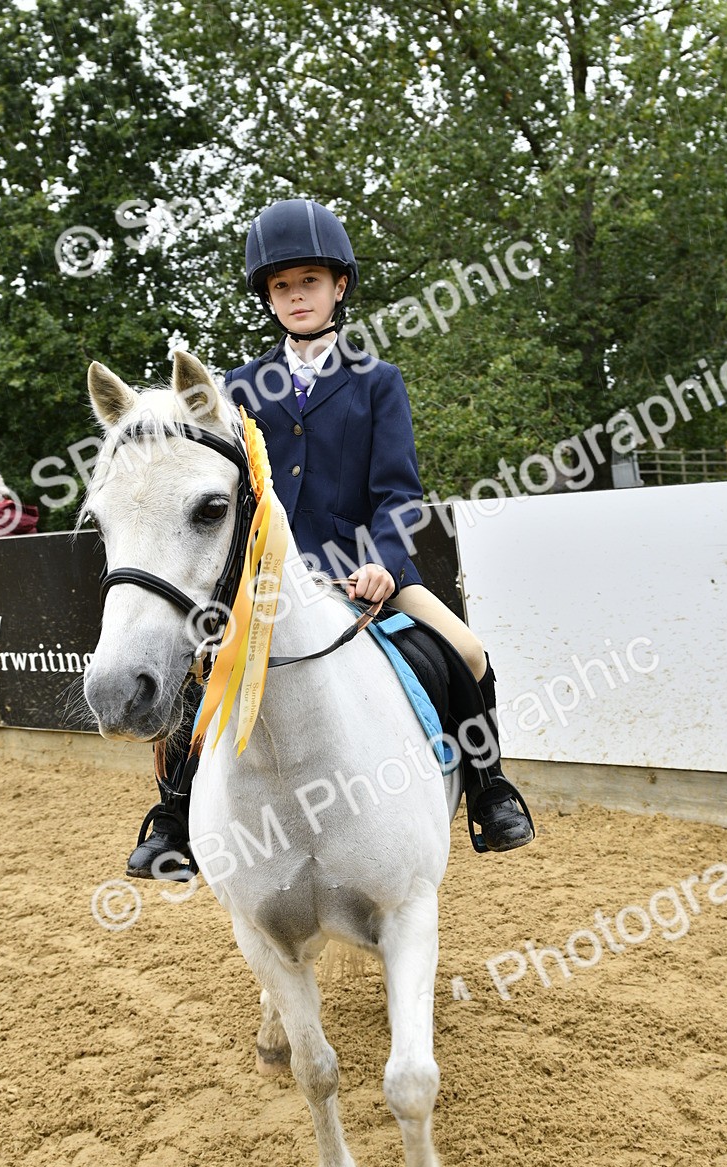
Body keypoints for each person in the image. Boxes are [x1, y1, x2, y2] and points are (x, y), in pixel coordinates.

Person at [126, 199, 534, 877]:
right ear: (269, 297)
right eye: (282, 287)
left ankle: (490, 794)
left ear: (338, 286)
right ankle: (172, 819)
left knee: (465, 649)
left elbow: (398, 492)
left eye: (308, 283)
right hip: (268, 582)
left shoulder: (378, 382)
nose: (296, 297)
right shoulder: (237, 389)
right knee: (198, 675)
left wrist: (382, 564)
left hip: (366, 572)